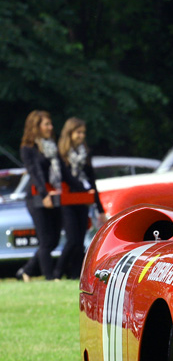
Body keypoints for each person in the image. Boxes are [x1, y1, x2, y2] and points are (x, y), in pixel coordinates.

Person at [55, 117, 104, 279]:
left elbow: (92, 181)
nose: (81, 136)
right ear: (70, 133)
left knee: (81, 240)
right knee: (72, 240)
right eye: (78, 132)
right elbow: (64, 177)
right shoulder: (61, 155)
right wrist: (82, 187)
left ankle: (75, 275)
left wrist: (100, 208)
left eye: (83, 133)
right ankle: (56, 273)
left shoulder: (85, 154)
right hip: (67, 201)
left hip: (83, 201)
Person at [17, 110, 62, 281]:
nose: (51, 127)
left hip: (53, 193)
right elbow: (34, 173)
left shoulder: (51, 146)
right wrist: (44, 194)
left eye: (50, 124)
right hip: (37, 195)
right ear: (36, 127)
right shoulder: (28, 148)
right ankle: (49, 278)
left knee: (54, 239)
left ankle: (26, 271)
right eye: (46, 124)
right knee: (45, 239)